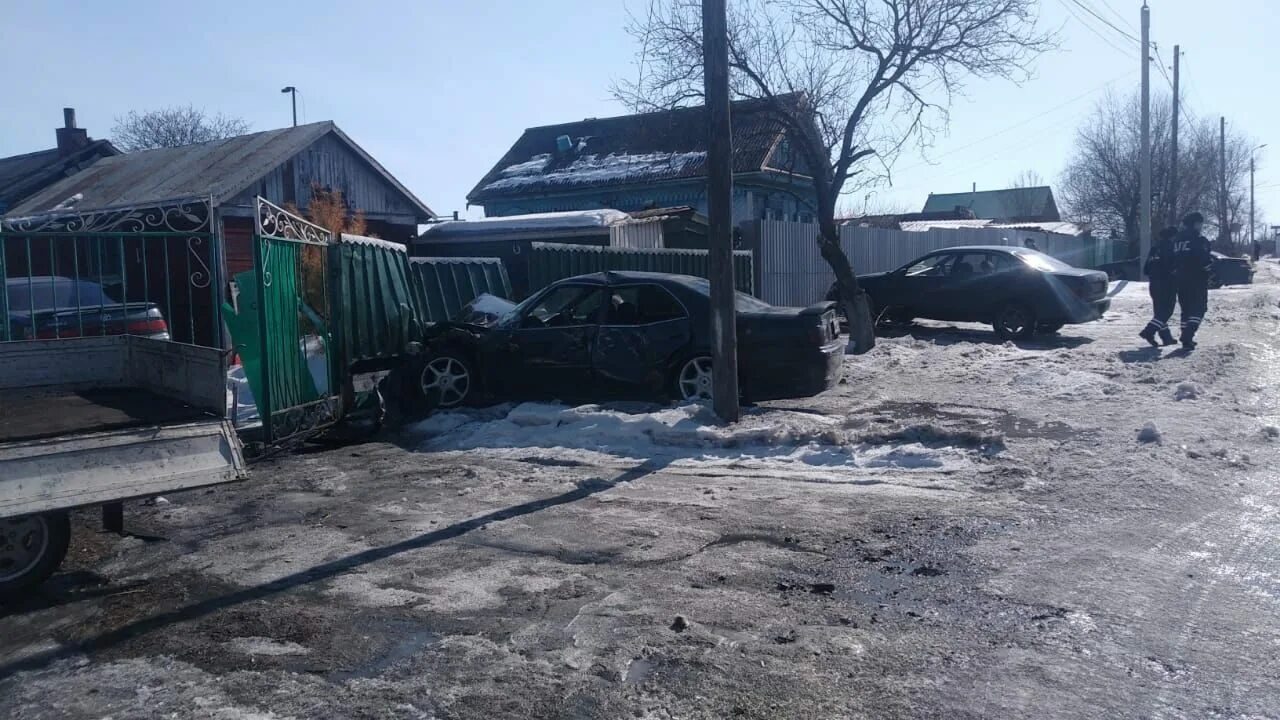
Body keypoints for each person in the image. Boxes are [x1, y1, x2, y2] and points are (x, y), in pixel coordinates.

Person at [1171, 211, 1213, 350]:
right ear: (1195, 223)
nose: (1201, 226)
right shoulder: (1198, 240)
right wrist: (1209, 269)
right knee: (1199, 308)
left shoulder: (1177, 240)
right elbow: (1204, 260)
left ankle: (1186, 338)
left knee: (1186, 309)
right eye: (1201, 223)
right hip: (1197, 278)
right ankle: (1188, 335)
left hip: (1180, 279)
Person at [1139, 226, 1179, 347]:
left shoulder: (1154, 248)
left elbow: (1145, 269)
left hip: (1154, 283)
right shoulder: (1170, 247)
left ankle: (1166, 337)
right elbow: (1171, 266)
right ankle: (1148, 331)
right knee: (1167, 311)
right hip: (1166, 283)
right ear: (1173, 236)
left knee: (1159, 311)